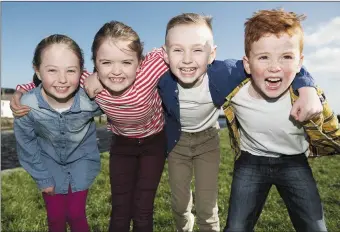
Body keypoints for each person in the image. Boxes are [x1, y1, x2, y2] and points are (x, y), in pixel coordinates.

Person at [11, 18, 320, 232]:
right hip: (121, 144)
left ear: (142, 61)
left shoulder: (158, 64)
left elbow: (272, 62)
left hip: (157, 143)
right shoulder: (84, 80)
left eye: (126, 62)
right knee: (120, 207)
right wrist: (22, 90)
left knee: (145, 206)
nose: (116, 71)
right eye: (105, 63)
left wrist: (305, 84)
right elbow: (54, 78)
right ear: (93, 64)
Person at [156, 13, 323, 232]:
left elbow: (283, 61)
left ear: (211, 54)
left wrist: (307, 87)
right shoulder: (158, 76)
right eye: (178, 50)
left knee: (207, 205)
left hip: (208, 140)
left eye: (197, 49)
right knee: (179, 203)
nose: (187, 58)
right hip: (178, 144)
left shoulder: (225, 73)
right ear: (166, 55)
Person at [221, 9, 340, 232]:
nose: (275, 67)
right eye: (264, 57)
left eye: (286, 57)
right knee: (236, 227)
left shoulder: (306, 95)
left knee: (315, 227)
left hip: (294, 162)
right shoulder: (234, 89)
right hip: (250, 162)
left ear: (299, 62)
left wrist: (309, 87)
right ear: (247, 64)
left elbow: (334, 131)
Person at [13, 34, 102, 232]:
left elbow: (121, 93)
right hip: (48, 163)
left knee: (76, 214)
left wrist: (101, 77)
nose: (62, 79)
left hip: (82, 161)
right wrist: (42, 178)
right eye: (52, 70)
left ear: (82, 72)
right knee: (55, 218)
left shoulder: (92, 99)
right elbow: (26, 144)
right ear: (37, 70)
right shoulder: (27, 105)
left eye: (71, 70)